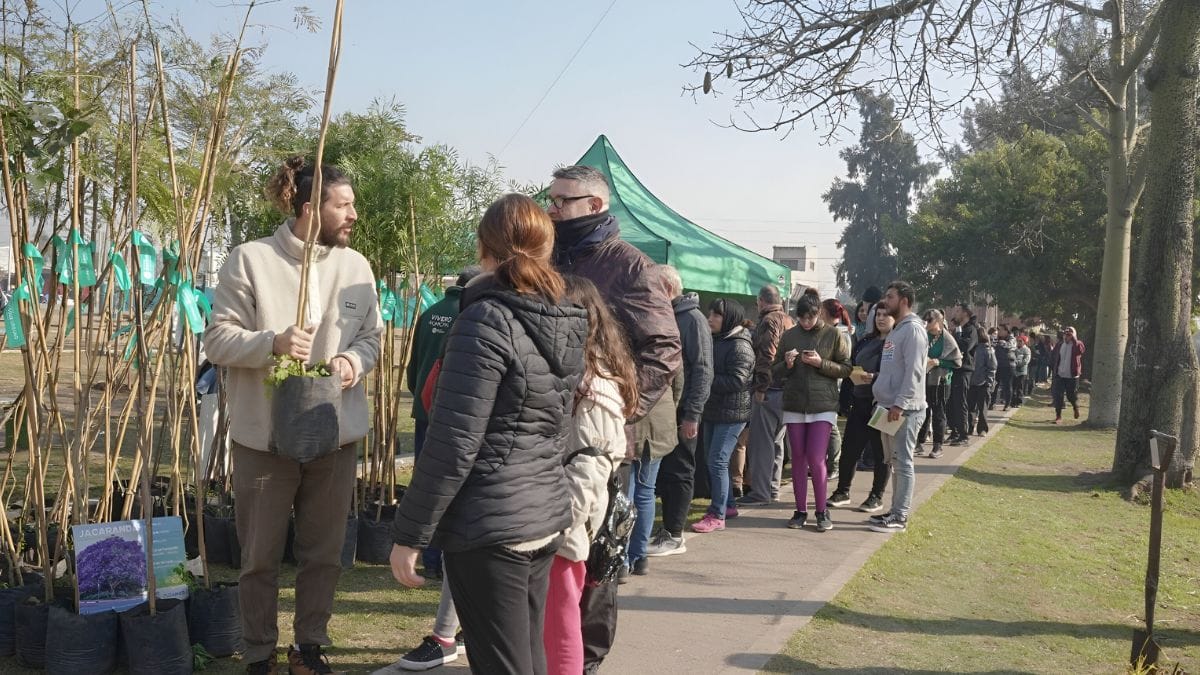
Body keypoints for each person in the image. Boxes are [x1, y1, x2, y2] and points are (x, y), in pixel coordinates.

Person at [389, 194, 587, 675]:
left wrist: (410, 534)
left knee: (506, 664)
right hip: (540, 513)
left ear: (484, 248)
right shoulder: (567, 318)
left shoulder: (484, 320)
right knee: (529, 659)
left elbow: (454, 440)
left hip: (492, 524)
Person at [204, 157, 382, 675]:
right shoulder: (250, 260)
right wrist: (271, 343)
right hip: (264, 442)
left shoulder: (357, 267)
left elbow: (370, 338)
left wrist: (353, 361)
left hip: (336, 437)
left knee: (324, 554)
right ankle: (258, 651)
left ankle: (309, 647)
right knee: (259, 558)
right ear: (310, 208)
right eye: (343, 205)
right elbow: (217, 339)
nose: (353, 215)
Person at [545, 165, 681, 671]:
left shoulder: (629, 266)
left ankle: (587, 658)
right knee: (549, 546)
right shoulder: (548, 254)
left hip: (597, 435)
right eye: (552, 198)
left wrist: (620, 407)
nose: (553, 207)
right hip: (543, 427)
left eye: (563, 200)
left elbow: (665, 350)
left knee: (595, 552)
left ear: (595, 205)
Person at [544, 275, 637, 675]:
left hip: (569, 532)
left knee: (564, 633)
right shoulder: (579, 375)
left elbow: (588, 472)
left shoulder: (594, 386)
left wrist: (561, 533)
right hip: (563, 526)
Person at [395, 265, 482, 672]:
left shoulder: (429, 314)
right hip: (465, 425)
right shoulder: (475, 319)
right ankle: (453, 623)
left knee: (429, 485)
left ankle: (430, 558)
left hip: (429, 412)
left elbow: (416, 371)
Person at [647, 266, 712, 557]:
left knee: (681, 470)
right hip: (665, 409)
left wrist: (692, 414)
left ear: (669, 289)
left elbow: (702, 370)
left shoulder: (693, 320)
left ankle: (674, 533)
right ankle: (666, 530)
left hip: (684, 409)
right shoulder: (669, 315)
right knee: (667, 473)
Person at [772, 294, 851, 532]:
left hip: (822, 405)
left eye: (811, 317)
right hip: (795, 403)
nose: (806, 322)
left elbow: (846, 369)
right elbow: (774, 372)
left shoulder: (833, 334)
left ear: (818, 314)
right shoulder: (789, 335)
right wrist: (786, 364)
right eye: (802, 318)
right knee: (798, 458)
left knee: (816, 458)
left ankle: (821, 510)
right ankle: (800, 511)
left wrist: (821, 363)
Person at [867, 281, 927, 534]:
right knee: (893, 461)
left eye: (890, 297)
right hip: (888, 407)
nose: (885, 301)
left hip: (904, 410)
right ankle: (893, 511)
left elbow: (914, 372)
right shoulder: (897, 330)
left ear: (903, 300)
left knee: (903, 462)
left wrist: (900, 404)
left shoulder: (913, 330)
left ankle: (900, 516)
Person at [691, 299, 754, 533]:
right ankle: (728, 505)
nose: (710, 319)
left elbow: (738, 380)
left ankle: (717, 514)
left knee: (717, 460)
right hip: (714, 410)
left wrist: (706, 379)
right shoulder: (719, 340)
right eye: (711, 314)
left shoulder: (740, 345)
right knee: (714, 460)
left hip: (732, 414)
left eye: (716, 315)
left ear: (728, 318)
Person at [827, 300, 893, 512]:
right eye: (878, 314)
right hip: (860, 400)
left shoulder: (897, 342)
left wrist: (875, 377)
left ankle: (876, 495)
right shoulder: (865, 340)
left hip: (883, 404)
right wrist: (846, 396)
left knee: (881, 453)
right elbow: (850, 366)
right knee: (850, 450)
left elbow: (898, 374)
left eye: (886, 314)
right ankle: (843, 490)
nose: (881, 318)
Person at [738, 284, 794, 507]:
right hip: (787, 389)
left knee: (762, 444)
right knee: (777, 442)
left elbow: (767, 356)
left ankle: (760, 492)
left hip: (770, 389)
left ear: (761, 301)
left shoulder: (769, 322)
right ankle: (772, 488)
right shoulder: (789, 321)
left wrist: (761, 386)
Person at [915, 309, 961, 460]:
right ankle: (919, 442)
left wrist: (939, 361)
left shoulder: (947, 339)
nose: (926, 323)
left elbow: (957, 361)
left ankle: (937, 445)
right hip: (924, 379)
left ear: (938, 322)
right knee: (924, 411)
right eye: (925, 320)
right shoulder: (924, 335)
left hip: (941, 380)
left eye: (930, 320)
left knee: (938, 412)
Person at [820, 298, 854, 480]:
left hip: (834, 384)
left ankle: (834, 465)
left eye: (820, 310)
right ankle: (827, 462)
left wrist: (821, 363)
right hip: (826, 383)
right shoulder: (831, 331)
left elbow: (843, 363)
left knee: (831, 426)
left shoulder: (839, 333)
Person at [947, 304, 979, 447]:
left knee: (961, 402)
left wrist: (958, 335)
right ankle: (954, 431)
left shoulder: (971, 330)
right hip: (954, 369)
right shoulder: (960, 330)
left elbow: (964, 347)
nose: (956, 313)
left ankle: (963, 435)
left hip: (964, 370)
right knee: (952, 402)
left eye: (958, 311)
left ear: (965, 313)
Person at [1051, 326, 1086, 423]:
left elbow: (1081, 351)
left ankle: (1075, 407)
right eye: (1065, 335)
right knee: (1058, 396)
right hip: (1060, 375)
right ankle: (1058, 416)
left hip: (1072, 376)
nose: (1066, 337)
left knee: (1071, 396)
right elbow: (1054, 355)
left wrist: (1073, 339)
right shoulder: (1060, 344)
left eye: (1069, 335)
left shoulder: (1077, 344)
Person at [968, 334, 997, 435]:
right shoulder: (989, 350)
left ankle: (970, 427)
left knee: (971, 407)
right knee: (982, 407)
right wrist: (989, 381)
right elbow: (992, 367)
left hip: (974, 382)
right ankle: (982, 429)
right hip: (983, 382)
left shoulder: (974, 350)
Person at [1012, 334, 1031, 407]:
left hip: (1022, 371)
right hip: (1015, 371)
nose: (1018, 342)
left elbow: (1026, 360)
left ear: (1024, 342)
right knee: (1014, 387)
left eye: (1020, 341)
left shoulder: (1026, 350)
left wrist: (1018, 363)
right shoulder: (1015, 349)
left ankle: (1019, 402)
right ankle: (1013, 402)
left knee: (1020, 387)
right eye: (1018, 341)